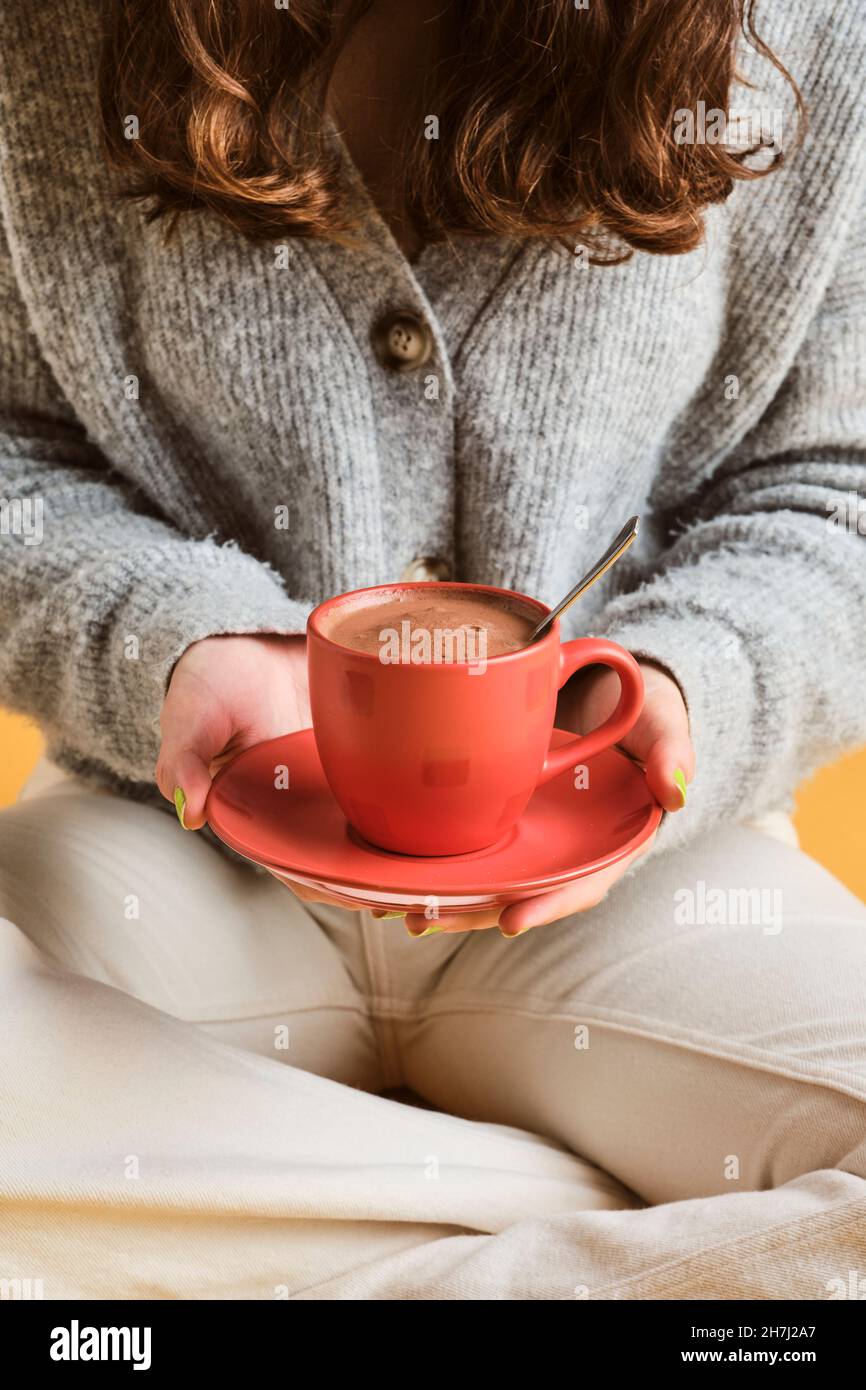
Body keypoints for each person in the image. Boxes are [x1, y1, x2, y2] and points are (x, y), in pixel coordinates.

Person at [0, 0, 864, 1299]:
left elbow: (834, 485)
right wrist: (173, 641)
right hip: (161, 851)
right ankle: (557, 1227)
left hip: (637, 883)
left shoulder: (808, 31)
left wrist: (699, 684)